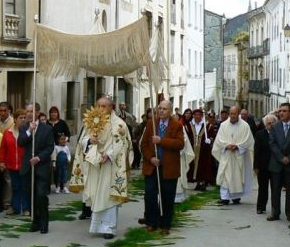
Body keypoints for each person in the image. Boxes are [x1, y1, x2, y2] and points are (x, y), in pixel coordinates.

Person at [71, 97, 131, 239]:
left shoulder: (119, 125)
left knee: (108, 197)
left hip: (110, 166)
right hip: (94, 164)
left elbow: (123, 144)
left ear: (111, 108)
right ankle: (97, 226)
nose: (101, 108)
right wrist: (89, 141)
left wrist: (109, 155)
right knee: (97, 195)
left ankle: (109, 228)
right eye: (98, 105)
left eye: (104, 106)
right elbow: (82, 142)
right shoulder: (91, 122)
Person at [141, 100, 184, 234]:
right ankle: (151, 221)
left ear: (170, 111)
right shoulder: (151, 124)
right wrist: (151, 158)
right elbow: (144, 145)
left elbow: (179, 144)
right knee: (150, 194)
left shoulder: (176, 125)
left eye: (164, 109)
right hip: (152, 166)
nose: (161, 111)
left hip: (168, 167)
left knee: (167, 196)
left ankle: (165, 224)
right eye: (159, 108)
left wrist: (161, 141)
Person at [18, 103, 54, 234]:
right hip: (28, 167)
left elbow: (50, 147)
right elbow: (20, 142)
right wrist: (29, 131)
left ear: (38, 113)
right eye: (27, 111)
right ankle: (36, 221)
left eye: (31, 111)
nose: (28, 113)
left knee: (40, 195)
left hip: (41, 167)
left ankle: (44, 222)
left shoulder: (47, 129)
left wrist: (39, 158)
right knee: (30, 196)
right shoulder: (24, 128)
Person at [212, 106, 254, 205]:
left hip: (239, 157)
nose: (232, 116)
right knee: (225, 176)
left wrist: (238, 147)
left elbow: (249, 141)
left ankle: (236, 197)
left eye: (234, 114)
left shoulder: (245, 126)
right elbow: (218, 140)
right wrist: (226, 145)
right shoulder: (223, 125)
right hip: (226, 155)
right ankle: (224, 198)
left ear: (238, 114)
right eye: (231, 114)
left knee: (237, 177)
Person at [267, 103, 290, 221]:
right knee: (275, 190)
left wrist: (289, 158)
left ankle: (289, 212)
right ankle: (275, 212)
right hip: (276, 163)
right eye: (280, 111)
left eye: (284, 111)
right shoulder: (275, 127)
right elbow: (272, 143)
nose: (281, 113)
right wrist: (281, 158)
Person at [0, 109, 29, 216]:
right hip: (12, 164)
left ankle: (26, 208)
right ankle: (15, 207)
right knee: (15, 186)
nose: (23, 120)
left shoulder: (28, 132)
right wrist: (2, 161)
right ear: (15, 119)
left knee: (24, 187)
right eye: (21, 118)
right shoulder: (8, 132)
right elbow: (3, 148)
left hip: (24, 164)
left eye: (24, 118)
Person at [186, 108, 214, 191]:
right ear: (193, 116)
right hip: (193, 149)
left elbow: (212, 136)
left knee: (203, 166)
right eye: (196, 115)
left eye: (199, 115)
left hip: (203, 150)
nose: (197, 116)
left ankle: (203, 183)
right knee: (194, 166)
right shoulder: (189, 125)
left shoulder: (207, 126)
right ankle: (197, 182)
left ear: (202, 116)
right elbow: (188, 136)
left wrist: (209, 139)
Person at [254, 114, 276, 214]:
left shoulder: (278, 134)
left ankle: (275, 209)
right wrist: (256, 166)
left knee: (275, 189)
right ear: (265, 124)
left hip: (275, 166)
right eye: (268, 123)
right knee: (262, 188)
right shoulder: (259, 134)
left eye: (272, 123)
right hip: (263, 166)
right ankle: (260, 207)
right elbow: (256, 151)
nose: (270, 125)